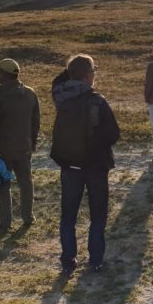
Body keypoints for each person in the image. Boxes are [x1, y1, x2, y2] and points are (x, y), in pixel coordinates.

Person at [52, 54, 121, 275]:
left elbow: (60, 79)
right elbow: (113, 134)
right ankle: (96, 259)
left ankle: (67, 259)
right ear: (88, 75)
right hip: (95, 165)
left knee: (68, 214)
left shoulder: (60, 96)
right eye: (93, 72)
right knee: (98, 214)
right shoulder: (97, 101)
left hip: (69, 164)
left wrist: (74, 69)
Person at [0, 58, 40, 231]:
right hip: (24, 147)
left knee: (3, 186)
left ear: (3, 74)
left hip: (3, 150)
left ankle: (5, 222)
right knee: (26, 182)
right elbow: (35, 122)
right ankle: (28, 216)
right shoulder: (30, 94)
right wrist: (32, 143)